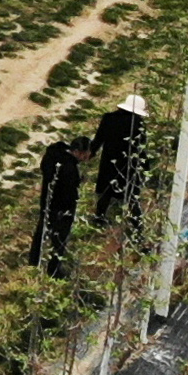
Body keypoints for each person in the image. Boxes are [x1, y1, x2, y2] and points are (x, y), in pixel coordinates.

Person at [31, 139, 92, 279]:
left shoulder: (54, 156)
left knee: (42, 231)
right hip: (62, 208)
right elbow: (68, 191)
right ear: (77, 152)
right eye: (85, 154)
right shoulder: (69, 168)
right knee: (59, 239)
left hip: (47, 200)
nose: (86, 157)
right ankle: (54, 270)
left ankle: (34, 263)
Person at [91, 94, 150, 228]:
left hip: (109, 161)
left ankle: (99, 218)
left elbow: (98, 139)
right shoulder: (138, 125)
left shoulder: (108, 118)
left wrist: (91, 153)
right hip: (128, 164)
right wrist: (145, 167)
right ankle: (137, 224)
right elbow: (140, 149)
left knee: (106, 191)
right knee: (131, 195)